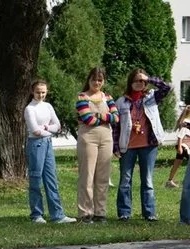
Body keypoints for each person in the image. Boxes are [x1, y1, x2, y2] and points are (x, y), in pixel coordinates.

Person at [113, 69, 173, 222]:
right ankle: (124, 213)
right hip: (128, 146)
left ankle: (149, 213)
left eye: (142, 81)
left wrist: (149, 78)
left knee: (147, 180)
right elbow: (116, 127)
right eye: (136, 80)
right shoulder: (121, 101)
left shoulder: (151, 97)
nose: (139, 83)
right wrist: (116, 147)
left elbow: (167, 87)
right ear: (130, 82)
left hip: (149, 145)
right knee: (125, 180)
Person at [23, 80, 76, 224]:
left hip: (47, 143)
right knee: (36, 178)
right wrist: (49, 129)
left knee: (51, 179)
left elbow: (57, 126)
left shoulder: (48, 106)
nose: (41, 95)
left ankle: (57, 214)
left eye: (43, 92)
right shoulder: (30, 109)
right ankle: (36, 214)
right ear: (32, 92)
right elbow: (35, 130)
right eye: (38, 92)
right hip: (36, 144)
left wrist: (46, 128)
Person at [75, 67, 119, 223]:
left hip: (106, 138)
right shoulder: (82, 97)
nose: (97, 82)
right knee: (87, 176)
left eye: (100, 80)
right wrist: (106, 117)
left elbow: (116, 118)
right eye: (94, 79)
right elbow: (88, 119)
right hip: (88, 138)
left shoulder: (108, 97)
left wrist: (98, 115)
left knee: (103, 176)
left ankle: (100, 212)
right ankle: (85, 212)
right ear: (89, 80)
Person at [165, 106, 190, 188]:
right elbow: (181, 135)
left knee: (177, 163)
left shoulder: (184, 120)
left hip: (183, 145)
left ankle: (169, 181)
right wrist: (179, 147)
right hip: (184, 146)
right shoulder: (186, 122)